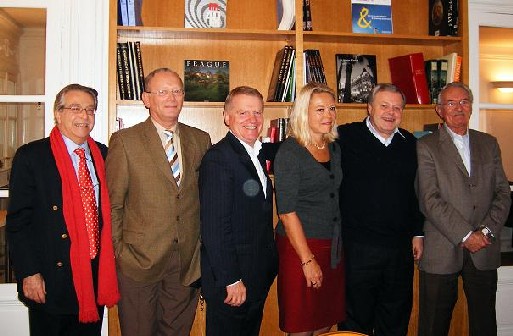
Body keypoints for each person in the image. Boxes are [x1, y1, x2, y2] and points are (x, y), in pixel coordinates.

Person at [6, 84, 119, 336]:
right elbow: (18, 222)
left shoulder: (104, 154)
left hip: (92, 276)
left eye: (90, 110)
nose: (84, 116)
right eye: (75, 108)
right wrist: (29, 273)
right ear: (58, 114)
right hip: (49, 278)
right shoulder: (32, 156)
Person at [106, 68, 211, 336]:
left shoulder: (200, 140)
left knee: (176, 332)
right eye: (162, 91)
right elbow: (112, 204)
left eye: (177, 91)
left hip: (185, 262)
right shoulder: (125, 141)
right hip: (138, 260)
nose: (171, 97)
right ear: (146, 98)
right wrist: (120, 252)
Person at [417, 82, 511, 336]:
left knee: (484, 325)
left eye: (464, 102)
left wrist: (486, 232)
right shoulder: (426, 146)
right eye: (451, 103)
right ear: (439, 110)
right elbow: (429, 199)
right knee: (433, 326)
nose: (458, 108)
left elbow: (503, 192)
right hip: (442, 248)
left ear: (470, 107)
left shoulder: (488, 143)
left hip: (484, 249)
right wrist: (467, 235)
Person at [336, 83, 424, 336]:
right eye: (384, 105)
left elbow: (415, 192)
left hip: (399, 250)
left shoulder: (410, 144)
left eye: (397, 107)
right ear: (370, 107)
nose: (390, 112)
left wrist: (418, 232)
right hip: (357, 248)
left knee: (395, 318)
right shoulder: (345, 136)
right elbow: (308, 146)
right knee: (355, 319)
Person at [199, 86, 278, 336]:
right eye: (243, 113)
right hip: (233, 280)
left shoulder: (254, 152)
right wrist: (231, 280)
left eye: (257, 113)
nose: (252, 120)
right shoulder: (219, 158)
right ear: (226, 117)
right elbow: (215, 227)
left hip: (255, 274)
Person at [274, 82, 345, 335]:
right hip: (300, 247)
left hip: (332, 246)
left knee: (325, 321)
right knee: (302, 325)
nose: (329, 115)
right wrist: (307, 260)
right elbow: (286, 211)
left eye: (332, 108)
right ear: (304, 112)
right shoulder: (290, 152)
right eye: (320, 109)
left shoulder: (334, 148)